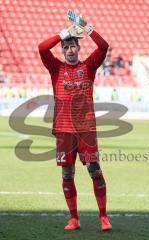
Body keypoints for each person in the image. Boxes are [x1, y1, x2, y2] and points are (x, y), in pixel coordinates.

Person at [38, 13, 112, 231]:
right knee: (67, 174)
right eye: (66, 47)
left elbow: (103, 46)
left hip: (86, 130)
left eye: (73, 46)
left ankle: (103, 217)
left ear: (79, 49)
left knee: (95, 171)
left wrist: (84, 26)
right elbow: (42, 48)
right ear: (62, 50)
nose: (70, 50)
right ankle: (74, 219)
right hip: (64, 131)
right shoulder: (56, 69)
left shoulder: (88, 67)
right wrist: (64, 33)